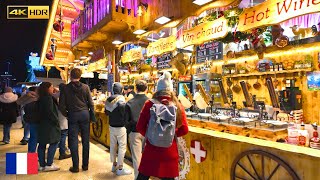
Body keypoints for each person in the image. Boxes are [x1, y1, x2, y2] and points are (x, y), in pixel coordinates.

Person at [136, 72, 189, 180]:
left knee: (142, 177)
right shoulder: (177, 105)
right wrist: (171, 133)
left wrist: (152, 134)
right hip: (170, 151)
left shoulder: (149, 104)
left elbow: (140, 126)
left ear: (157, 89)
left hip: (151, 150)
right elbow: (185, 129)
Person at [59, 68, 94, 173]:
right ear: (80, 76)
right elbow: (91, 104)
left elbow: (61, 106)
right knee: (85, 140)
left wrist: (68, 115)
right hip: (85, 115)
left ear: (70, 76)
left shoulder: (65, 88)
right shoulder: (85, 87)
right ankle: (85, 165)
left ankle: (75, 167)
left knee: (73, 141)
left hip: (73, 115)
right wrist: (92, 116)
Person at [105, 82, 132, 176]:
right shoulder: (121, 99)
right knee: (122, 147)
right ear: (121, 90)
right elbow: (124, 111)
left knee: (113, 146)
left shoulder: (108, 99)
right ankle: (120, 168)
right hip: (121, 127)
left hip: (111, 125)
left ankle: (114, 165)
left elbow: (106, 112)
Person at [125, 80, 149, 179]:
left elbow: (125, 121)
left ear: (135, 89)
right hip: (148, 133)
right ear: (146, 89)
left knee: (136, 158)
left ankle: (138, 178)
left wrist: (130, 129)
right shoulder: (150, 101)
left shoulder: (130, 102)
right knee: (147, 157)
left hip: (134, 132)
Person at [37, 82, 61, 172]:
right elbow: (50, 112)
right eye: (51, 87)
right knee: (54, 142)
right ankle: (49, 164)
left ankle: (42, 165)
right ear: (47, 89)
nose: (53, 89)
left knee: (42, 144)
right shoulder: (48, 98)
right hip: (50, 124)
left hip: (42, 124)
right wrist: (56, 121)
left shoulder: (41, 97)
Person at [16, 86, 39, 152]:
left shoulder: (30, 96)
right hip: (34, 119)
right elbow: (18, 102)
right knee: (34, 138)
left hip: (29, 118)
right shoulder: (34, 97)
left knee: (33, 137)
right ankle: (32, 157)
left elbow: (18, 102)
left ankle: (31, 155)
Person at [53, 83, 71, 160]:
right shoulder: (64, 96)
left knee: (60, 135)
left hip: (57, 118)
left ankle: (61, 150)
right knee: (63, 135)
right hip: (63, 118)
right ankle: (62, 153)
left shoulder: (55, 95)